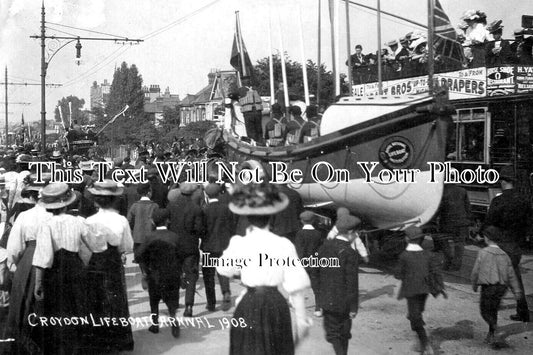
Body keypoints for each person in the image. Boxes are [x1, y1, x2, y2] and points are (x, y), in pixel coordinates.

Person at [217, 182, 312, 355]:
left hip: (249, 303)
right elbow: (296, 286)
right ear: (271, 216)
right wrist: (301, 320)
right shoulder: (284, 244)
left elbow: (224, 269)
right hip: (275, 304)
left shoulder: (240, 242)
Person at [32, 183, 89, 355]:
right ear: (66, 203)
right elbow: (90, 249)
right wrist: (83, 265)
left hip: (54, 271)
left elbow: (44, 256)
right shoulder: (79, 221)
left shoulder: (46, 225)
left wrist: (38, 283)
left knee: (55, 311)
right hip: (75, 267)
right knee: (76, 308)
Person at [84, 180, 134, 352]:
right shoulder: (120, 220)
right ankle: (117, 339)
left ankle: (98, 338)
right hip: (112, 260)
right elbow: (127, 246)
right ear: (115, 200)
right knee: (115, 298)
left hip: (94, 261)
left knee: (96, 299)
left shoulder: (89, 221)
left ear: (95, 200)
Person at [4, 175, 51, 354]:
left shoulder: (25, 216)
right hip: (53, 262)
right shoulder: (58, 216)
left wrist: (17, 266)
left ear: (32, 194)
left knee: (23, 306)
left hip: (29, 261)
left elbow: (14, 249)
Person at [484, 166, 531, 322]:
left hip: (501, 245)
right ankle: (523, 311)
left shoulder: (498, 200)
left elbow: (490, 223)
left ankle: (492, 318)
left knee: (495, 283)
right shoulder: (523, 200)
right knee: (515, 279)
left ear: (503, 182)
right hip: (516, 246)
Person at [394, 226, 445, 355]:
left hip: (411, 291)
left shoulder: (404, 256)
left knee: (414, 317)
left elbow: (398, 275)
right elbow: (435, 272)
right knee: (417, 313)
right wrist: (440, 287)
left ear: (407, 239)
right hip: (424, 291)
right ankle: (420, 342)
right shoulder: (428, 255)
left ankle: (425, 344)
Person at [472, 225, 523, 348]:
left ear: (488, 239)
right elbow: (511, 274)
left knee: (484, 310)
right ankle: (491, 332)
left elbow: (476, 271)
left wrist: (474, 284)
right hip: (502, 287)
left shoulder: (483, 252)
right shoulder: (505, 255)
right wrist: (516, 291)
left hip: (488, 287)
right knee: (493, 309)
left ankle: (494, 329)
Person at [317, 214, 360, 355]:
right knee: (343, 334)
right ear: (350, 233)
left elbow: (315, 273)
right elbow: (352, 282)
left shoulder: (324, 248)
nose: (357, 235)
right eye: (356, 232)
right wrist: (354, 306)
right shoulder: (350, 253)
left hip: (327, 299)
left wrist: (320, 297)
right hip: (344, 302)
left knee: (333, 333)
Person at [136, 208, 181, 338]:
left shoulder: (150, 237)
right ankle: (173, 318)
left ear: (154, 222)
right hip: (172, 274)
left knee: (154, 299)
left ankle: (155, 324)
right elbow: (181, 254)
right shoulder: (175, 236)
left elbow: (139, 254)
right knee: (171, 299)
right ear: (167, 221)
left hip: (155, 274)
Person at [168, 182, 205, 317]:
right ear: (193, 193)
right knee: (191, 276)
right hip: (190, 246)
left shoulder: (172, 206)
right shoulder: (196, 209)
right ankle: (188, 307)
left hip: (174, 245)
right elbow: (199, 229)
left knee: (174, 273)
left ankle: (175, 301)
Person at [201, 183, 236, 312]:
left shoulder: (204, 209)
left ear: (207, 194)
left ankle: (211, 303)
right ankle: (226, 291)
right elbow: (232, 226)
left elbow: (201, 229)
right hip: (224, 245)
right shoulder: (226, 208)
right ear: (218, 193)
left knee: (208, 275)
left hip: (208, 247)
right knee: (224, 271)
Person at [127, 183, 158, 288]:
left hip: (138, 236)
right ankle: (150, 274)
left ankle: (144, 272)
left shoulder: (135, 205)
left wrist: (133, 229)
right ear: (149, 192)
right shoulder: (154, 205)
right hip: (151, 236)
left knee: (141, 257)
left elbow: (129, 220)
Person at [436, 183, 472, 271]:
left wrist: (432, 219)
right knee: (459, 244)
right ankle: (456, 265)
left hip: (447, 222)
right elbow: (468, 207)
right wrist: (468, 220)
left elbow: (439, 208)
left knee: (443, 241)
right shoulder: (463, 190)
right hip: (461, 222)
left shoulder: (441, 191)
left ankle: (448, 260)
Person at [294, 211, 324, 317]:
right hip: (315, 263)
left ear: (301, 221)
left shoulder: (299, 234)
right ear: (313, 220)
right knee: (316, 286)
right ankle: (318, 307)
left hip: (303, 263)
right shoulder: (318, 234)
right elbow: (320, 250)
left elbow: (299, 250)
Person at [235, 76, 263, 143]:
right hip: (257, 112)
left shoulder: (240, 90)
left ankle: (253, 143)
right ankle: (260, 142)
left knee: (250, 130)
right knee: (258, 129)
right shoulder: (256, 89)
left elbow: (231, 95)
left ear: (242, 82)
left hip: (248, 113)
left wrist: (238, 100)